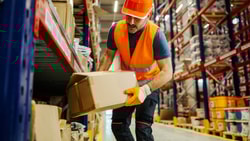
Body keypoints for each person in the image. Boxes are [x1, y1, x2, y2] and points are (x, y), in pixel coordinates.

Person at [98, 0, 173, 140]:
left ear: (148, 15)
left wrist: (145, 90)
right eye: (128, 16)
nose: (131, 22)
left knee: (143, 129)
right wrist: (96, 82)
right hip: (127, 83)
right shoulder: (116, 29)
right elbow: (108, 56)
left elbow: (167, 71)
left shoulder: (156, 35)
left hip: (149, 84)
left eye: (137, 17)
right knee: (118, 125)